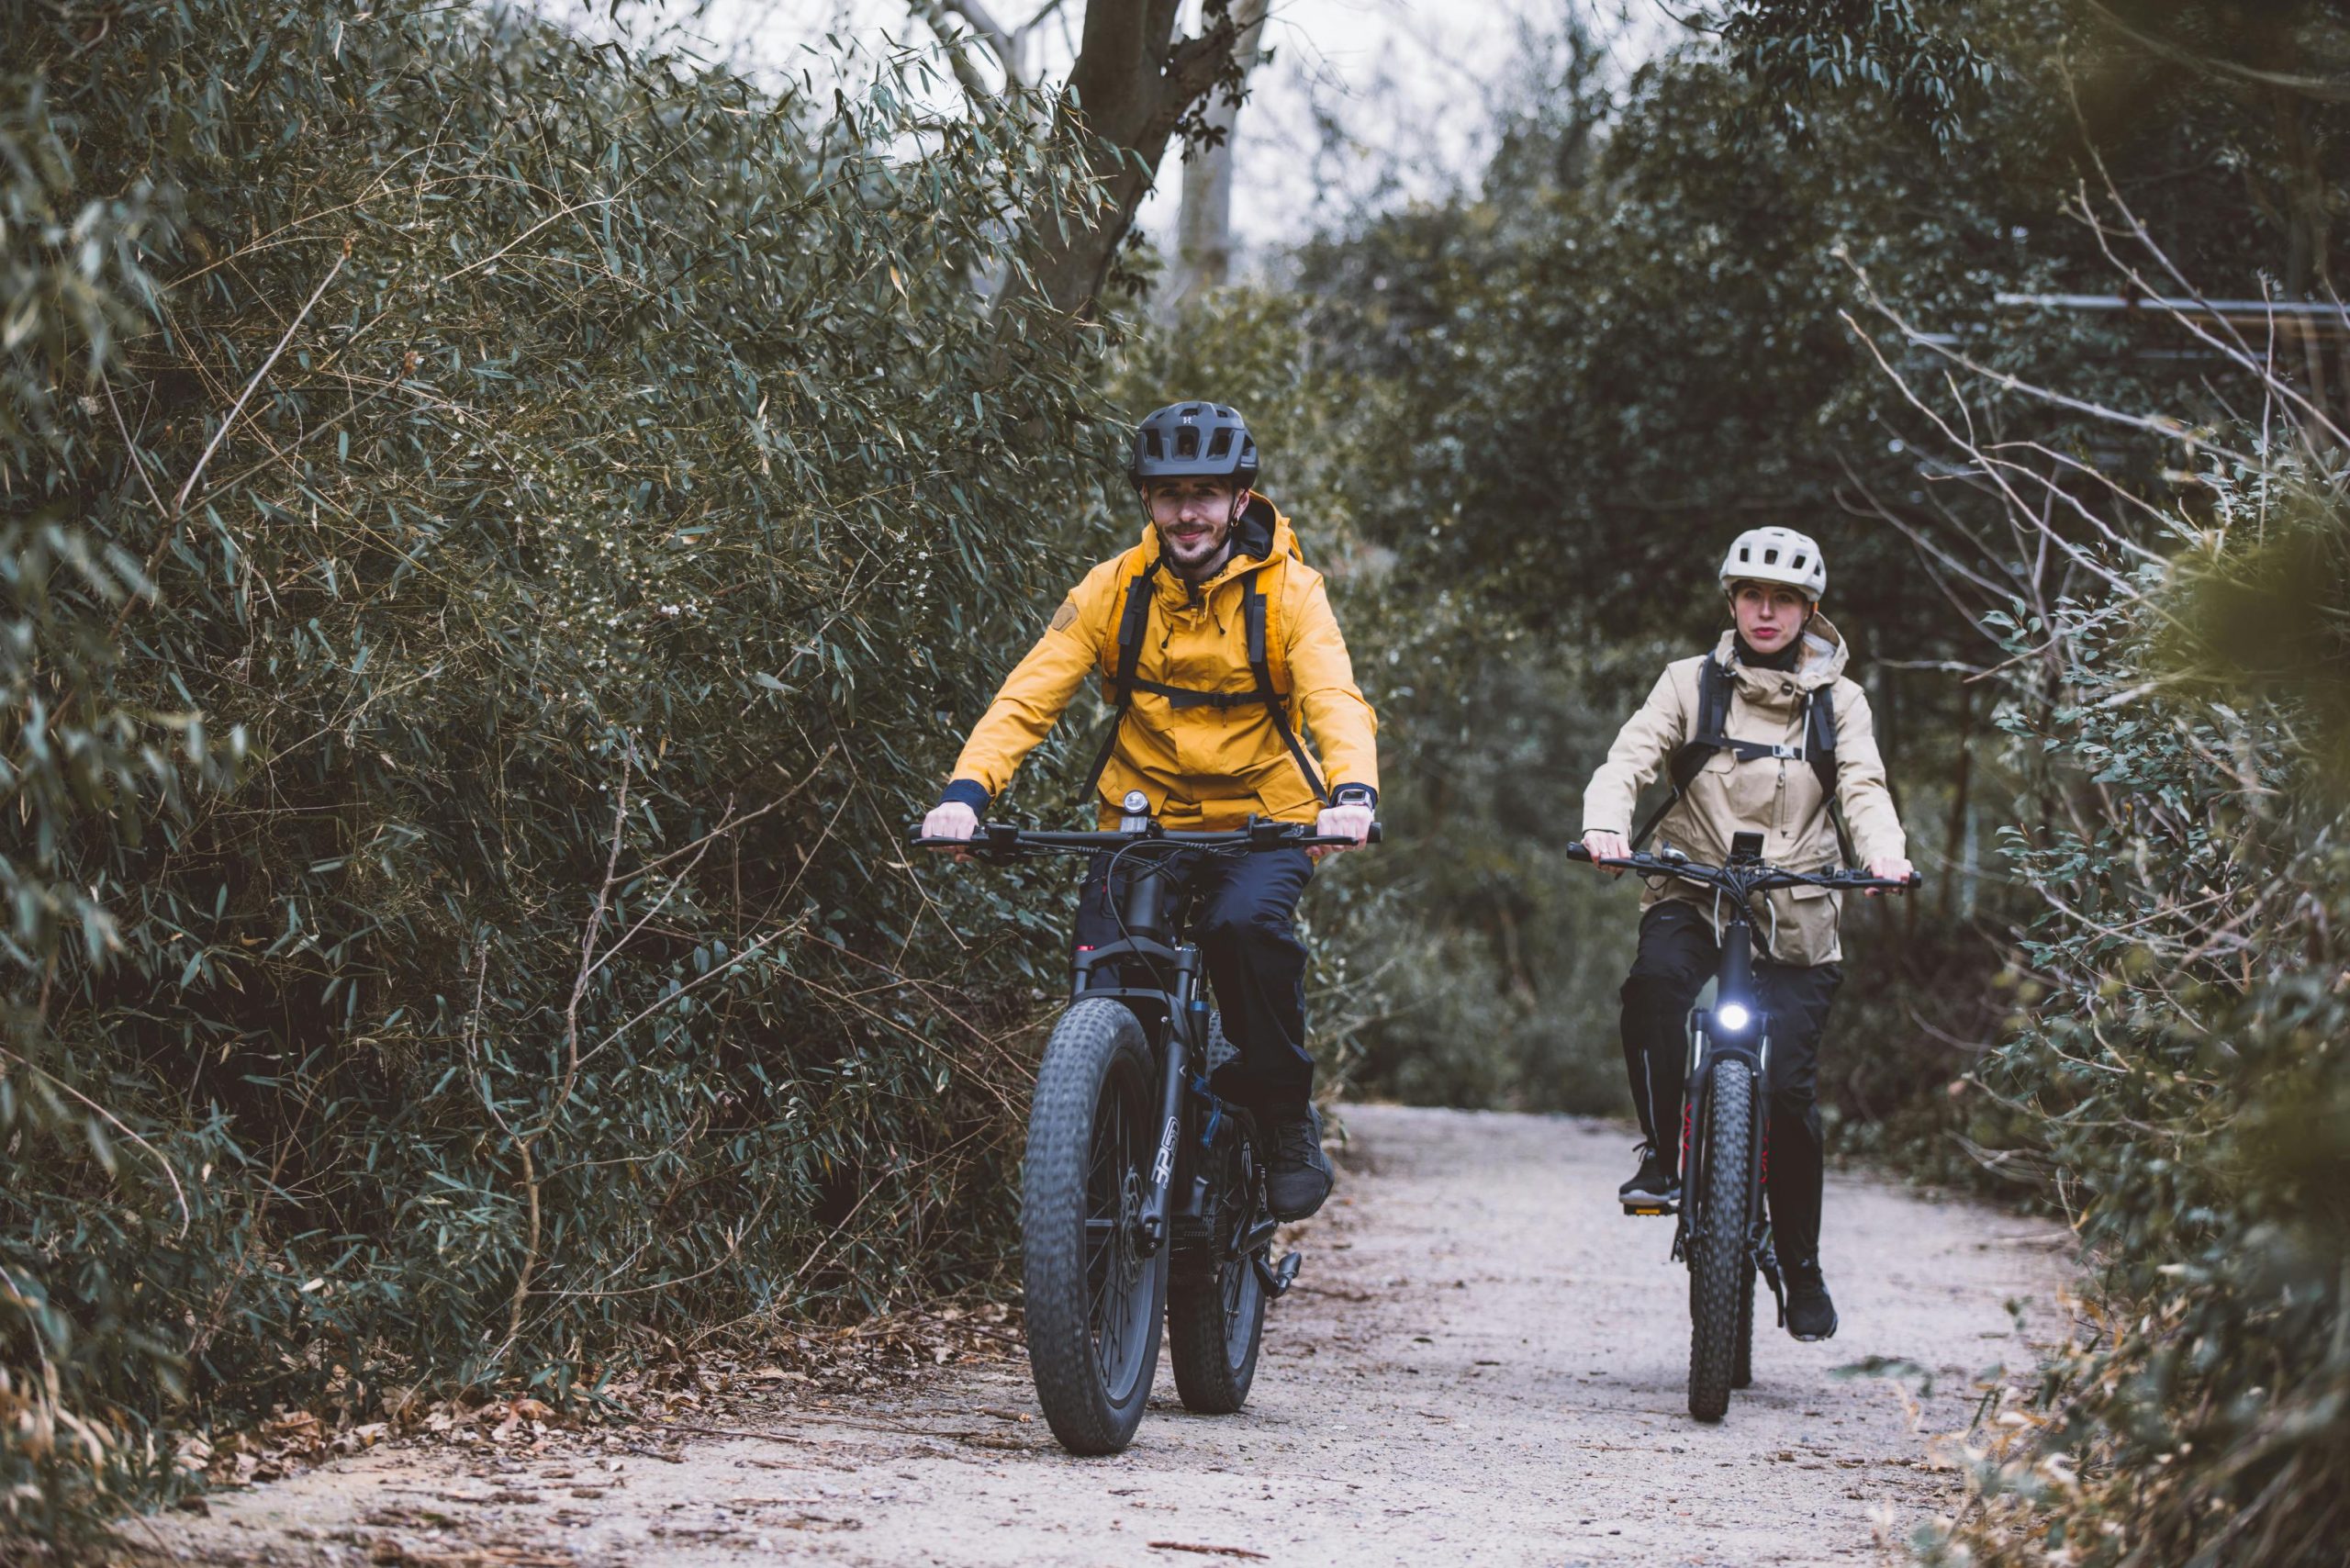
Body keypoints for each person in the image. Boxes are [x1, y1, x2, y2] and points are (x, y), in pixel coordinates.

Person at [922, 401, 1379, 1221]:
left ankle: (1280, 1119)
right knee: (1112, 984)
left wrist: (1352, 794)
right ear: (1147, 501)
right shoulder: (1113, 589)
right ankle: (1104, 1168)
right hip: (1144, 820)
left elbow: (1334, 695)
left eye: (1207, 493)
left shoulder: (1291, 592)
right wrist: (968, 790)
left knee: (1244, 933)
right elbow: (1032, 692)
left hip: (1266, 823)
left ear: (1241, 500)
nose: (1187, 513)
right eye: (1170, 496)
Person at [1578, 527, 1912, 1341]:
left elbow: (1863, 785)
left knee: (1792, 1095)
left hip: (1797, 908)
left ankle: (1801, 1267)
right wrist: (1605, 827)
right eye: (1753, 595)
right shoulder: (1687, 684)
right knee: (1655, 986)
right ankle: (1663, 1150)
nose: (1767, 611)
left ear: (1808, 611)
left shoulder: (1841, 702)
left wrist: (1887, 854)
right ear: (1732, 601)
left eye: (1785, 599)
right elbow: (1629, 759)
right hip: (1695, 889)